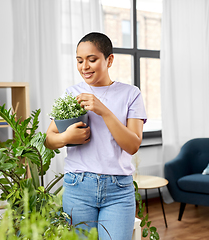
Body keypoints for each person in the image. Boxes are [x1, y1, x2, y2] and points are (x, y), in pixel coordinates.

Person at [45, 32, 147, 240]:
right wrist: (66, 138)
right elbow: (49, 139)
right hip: (78, 187)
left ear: (109, 60)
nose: (85, 67)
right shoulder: (72, 94)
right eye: (80, 61)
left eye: (92, 60)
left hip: (118, 190)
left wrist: (104, 110)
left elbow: (133, 145)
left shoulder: (131, 94)